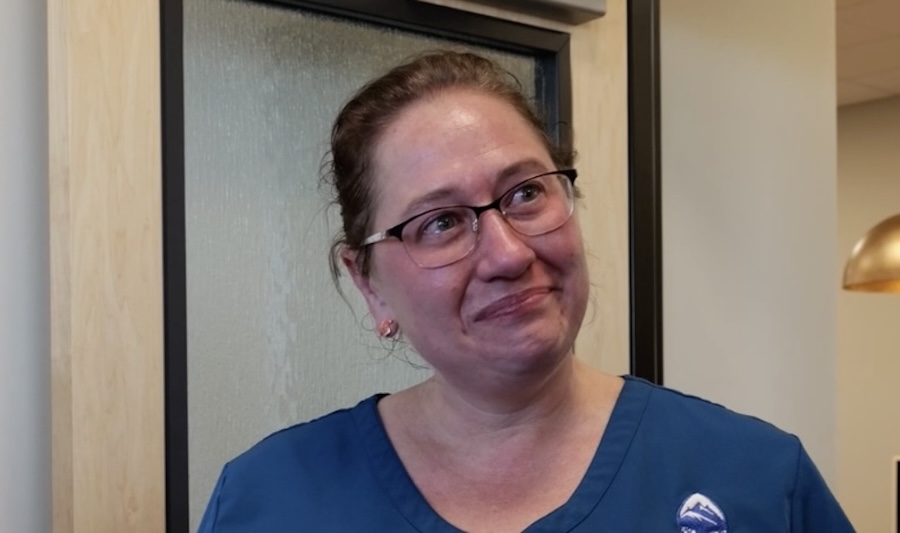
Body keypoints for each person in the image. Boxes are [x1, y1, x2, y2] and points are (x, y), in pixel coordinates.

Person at [198, 51, 853, 532]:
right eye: (440, 223)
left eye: (526, 193)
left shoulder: (757, 479)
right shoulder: (269, 499)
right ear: (369, 284)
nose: (509, 254)